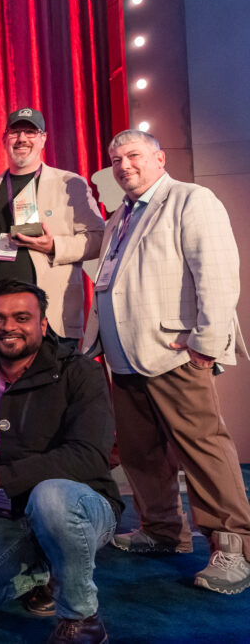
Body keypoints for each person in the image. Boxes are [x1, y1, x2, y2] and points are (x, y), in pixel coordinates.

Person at [84, 129, 250, 594]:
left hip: (175, 354)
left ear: (159, 157)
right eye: (116, 160)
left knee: (202, 448)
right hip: (124, 357)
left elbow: (216, 273)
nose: (124, 166)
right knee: (140, 451)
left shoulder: (191, 199)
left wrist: (207, 344)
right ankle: (161, 531)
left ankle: (233, 545)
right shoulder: (120, 214)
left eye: (133, 156)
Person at [0, 280, 122, 642]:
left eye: (21, 317)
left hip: (82, 507)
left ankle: (82, 619)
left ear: (42, 325)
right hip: (9, 517)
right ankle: (43, 568)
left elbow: (89, 455)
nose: (7, 326)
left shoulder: (80, 372)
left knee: (51, 497)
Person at [0, 108, 105, 349]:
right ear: (4, 139)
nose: (22, 138)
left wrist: (54, 246)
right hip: (0, 317)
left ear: (43, 139)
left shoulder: (70, 184)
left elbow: (99, 238)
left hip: (51, 316)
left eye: (31, 132)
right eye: (15, 132)